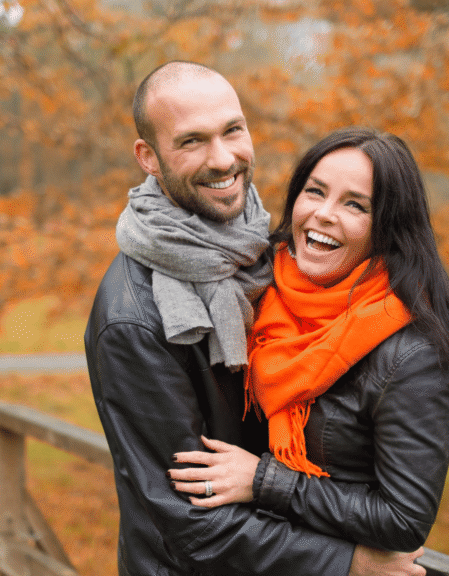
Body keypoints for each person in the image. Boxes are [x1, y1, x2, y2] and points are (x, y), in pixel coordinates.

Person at [84, 62, 425, 576]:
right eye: (192, 141)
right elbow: (188, 524)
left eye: (232, 130)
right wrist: (347, 563)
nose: (223, 159)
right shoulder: (134, 320)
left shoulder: (269, 254)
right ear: (148, 158)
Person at [168, 128, 449, 554]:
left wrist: (263, 481)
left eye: (355, 204)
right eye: (315, 192)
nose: (324, 213)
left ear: (388, 228)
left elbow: (404, 520)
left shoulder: (415, 355)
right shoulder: (263, 291)